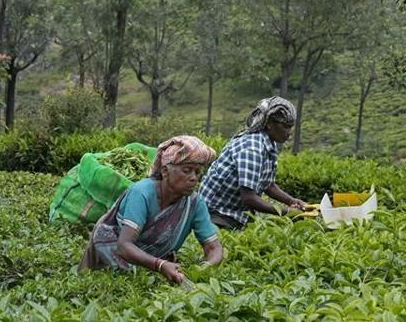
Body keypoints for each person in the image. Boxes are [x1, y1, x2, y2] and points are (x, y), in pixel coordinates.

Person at [79, 135, 223, 284]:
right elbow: (124, 246)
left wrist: (205, 267)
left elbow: (214, 248)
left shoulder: (195, 203)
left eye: (197, 172)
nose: (194, 178)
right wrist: (160, 265)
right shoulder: (142, 193)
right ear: (165, 171)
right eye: (187, 171)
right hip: (110, 261)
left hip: (152, 271)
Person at [199, 96, 308, 230]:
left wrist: (292, 201)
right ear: (269, 124)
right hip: (216, 214)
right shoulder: (252, 148)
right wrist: (286, 212)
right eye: (285, 126)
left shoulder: (268, 144)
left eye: (290, 127)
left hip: (236, 213)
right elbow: (249, 198)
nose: (289, 132)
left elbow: (268, 185)